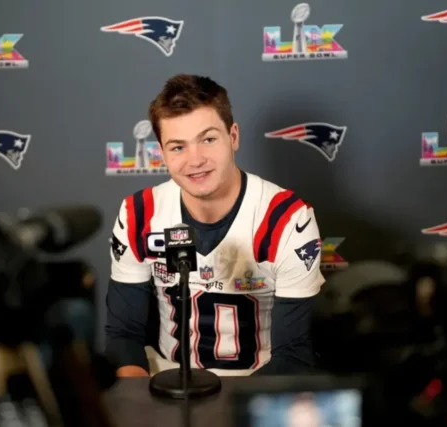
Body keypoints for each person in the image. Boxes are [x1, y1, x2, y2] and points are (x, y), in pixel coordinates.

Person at [104, 74, 325, 377]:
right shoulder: (139, 214)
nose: (195, 160)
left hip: (255, 384)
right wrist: (138, 397)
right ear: (162, 153)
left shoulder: (287, 218)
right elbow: (123, 334)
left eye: (208, 140)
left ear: (233, 137)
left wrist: (233, 405)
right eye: (178, 147)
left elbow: (293, 354)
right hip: (167, 380)